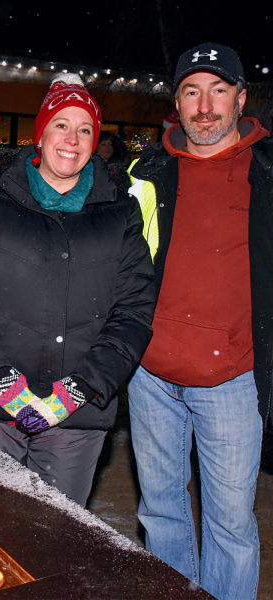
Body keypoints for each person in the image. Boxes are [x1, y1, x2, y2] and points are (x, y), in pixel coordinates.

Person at [0, 74, 155, 506]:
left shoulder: (118, 212)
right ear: (40, 134)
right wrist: (1, 382)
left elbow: (133, 310)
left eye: (85, 128)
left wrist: (78, 389)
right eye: (61, 125)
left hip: (76, 419)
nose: (72, 139)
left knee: (56, 543)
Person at [127, 43, 272, 600]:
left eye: (217, 91)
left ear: (240, 99)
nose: (204, 106)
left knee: (231, 525)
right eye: (192, 91)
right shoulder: (149, 172)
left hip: (233, 381)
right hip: (150, 377)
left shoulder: (267, 174)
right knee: (160, 512)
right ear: (177, 103)